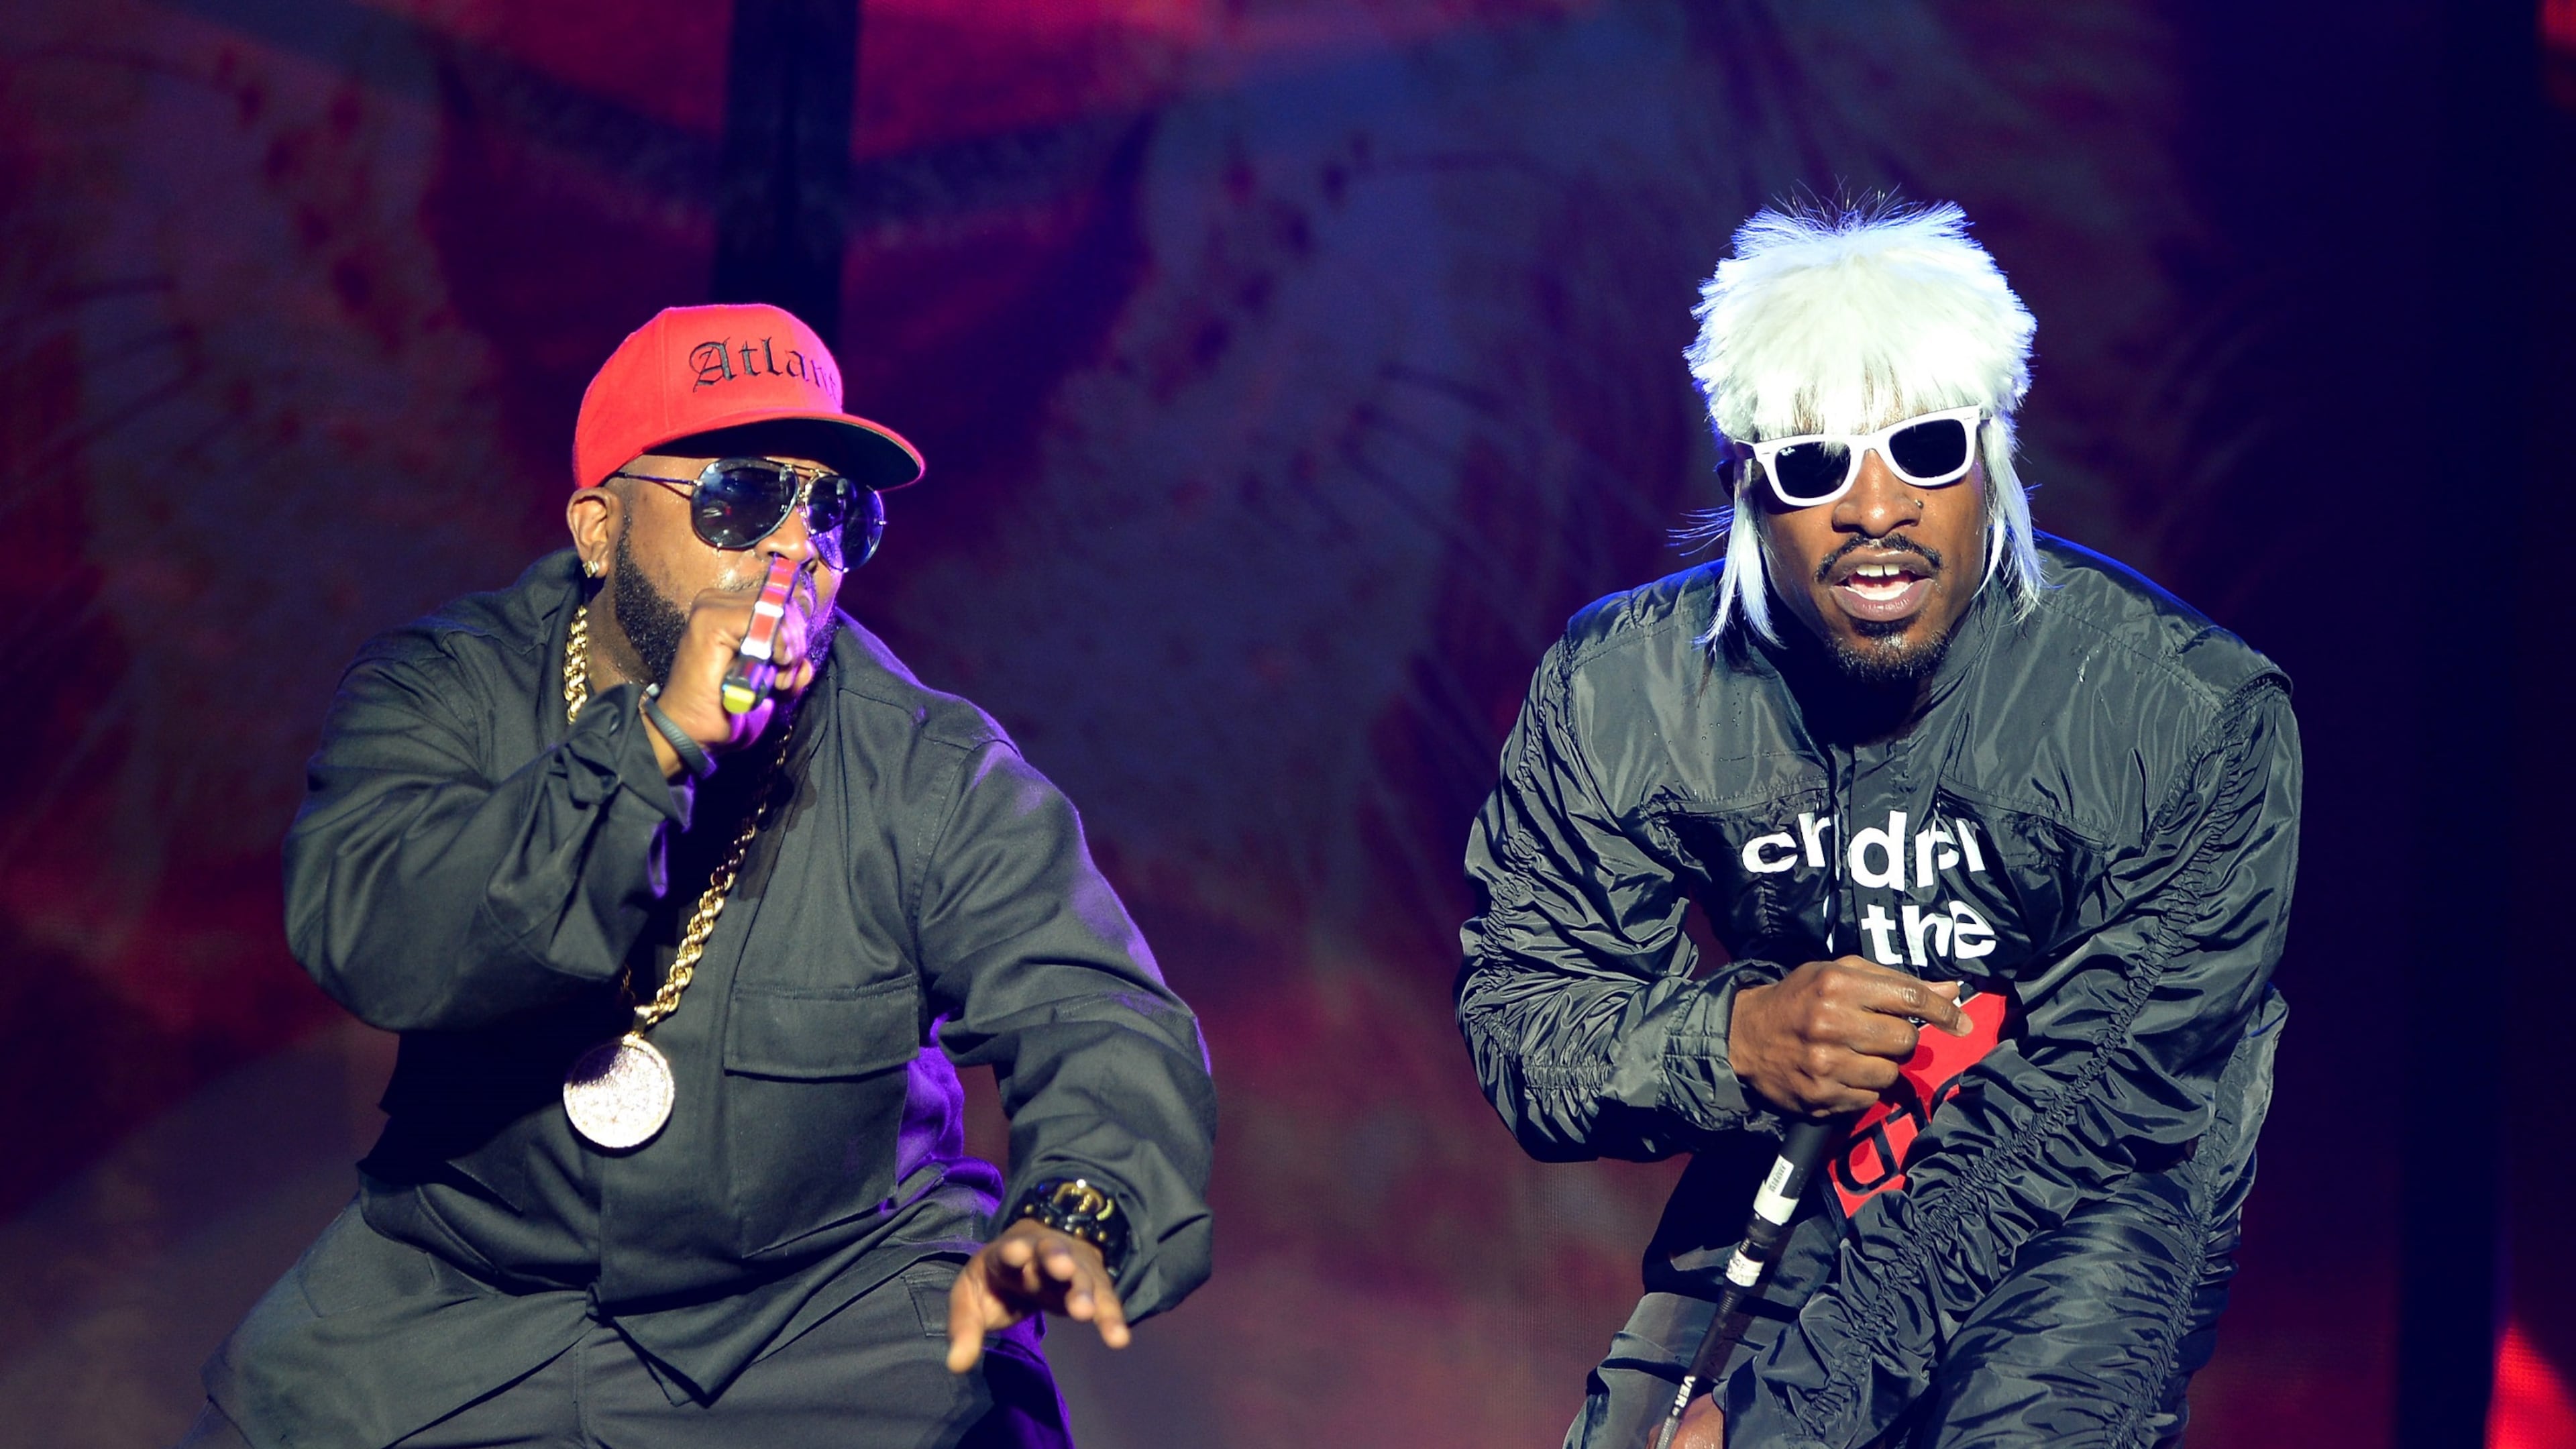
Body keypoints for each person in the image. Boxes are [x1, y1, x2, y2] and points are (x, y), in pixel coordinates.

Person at [181, 303, 1217, 1448]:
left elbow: (1097, 1013)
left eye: (836, 511)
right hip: (466, 1295)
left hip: (825, 1314)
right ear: (598, 528)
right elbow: (373, 928)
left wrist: (1076, 1208)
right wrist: (659, 741)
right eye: (740, 498)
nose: (795, 546)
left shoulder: (930, 766)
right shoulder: (443, 693)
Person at [1456, 202, 2296, 1448]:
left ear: (1995, 454)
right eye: (1813, 465)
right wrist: (1736, 1041)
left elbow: (2084, 1108)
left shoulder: (2186, 710)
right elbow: (1528, 1016)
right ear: (1748, 489)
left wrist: (1778, 1419)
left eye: (1926, 448)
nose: (1875, 506)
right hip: (1794, 1185)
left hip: (2078, 1213)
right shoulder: (1624, 688)